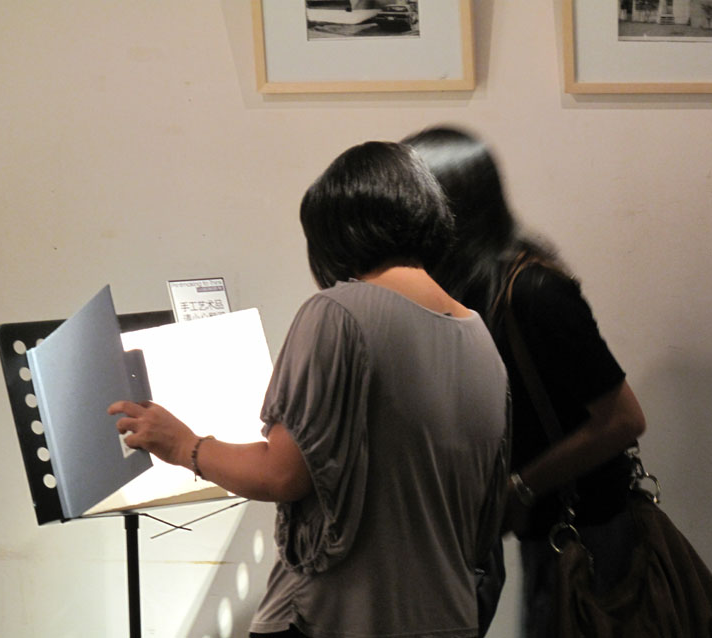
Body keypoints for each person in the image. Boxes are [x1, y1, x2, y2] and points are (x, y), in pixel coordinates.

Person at [109, 141, 511, 638]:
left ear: (334, 233)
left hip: (341, 617)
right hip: (450, 618)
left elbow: (281, 474)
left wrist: (183, 445)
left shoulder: (338, 313)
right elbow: (485, 512)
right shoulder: (479, 337)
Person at [403, 126, 647, 637]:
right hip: (547, 528)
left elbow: (623, 420)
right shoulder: (465, 286)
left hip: (586, 530)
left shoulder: (534, 291)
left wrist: (522, 486)